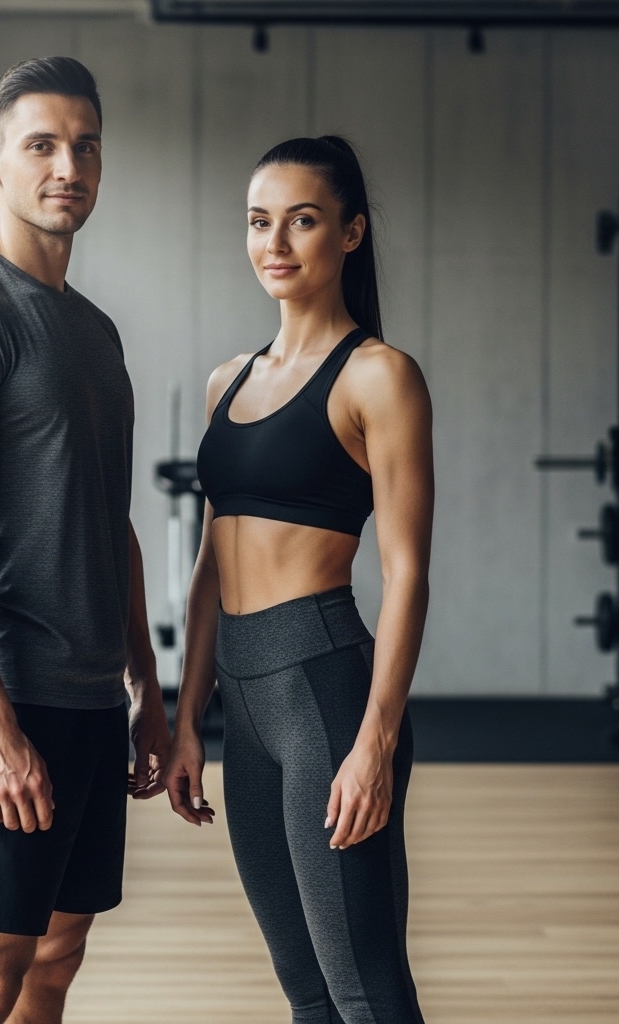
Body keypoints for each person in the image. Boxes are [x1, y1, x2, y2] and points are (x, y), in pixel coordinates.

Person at [0, 56, 170, 1024]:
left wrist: (145, 687)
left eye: (84, 145)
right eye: (41, 144)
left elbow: (109, 522)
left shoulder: (90, 330)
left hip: (87, 696)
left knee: (54, 954)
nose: (68, 165)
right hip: (5, 695)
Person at [166, 135, 433, 1024]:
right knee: (307, 992)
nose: (275, 243)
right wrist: (186, 716)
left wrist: (375, 743)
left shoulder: (378, 377)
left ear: (350, 233)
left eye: (303, 220)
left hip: (323, 693)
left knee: (366, 990)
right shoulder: (226, 381)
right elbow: (210, 563)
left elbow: (408, 573)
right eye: (259, 222)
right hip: (244, 705)